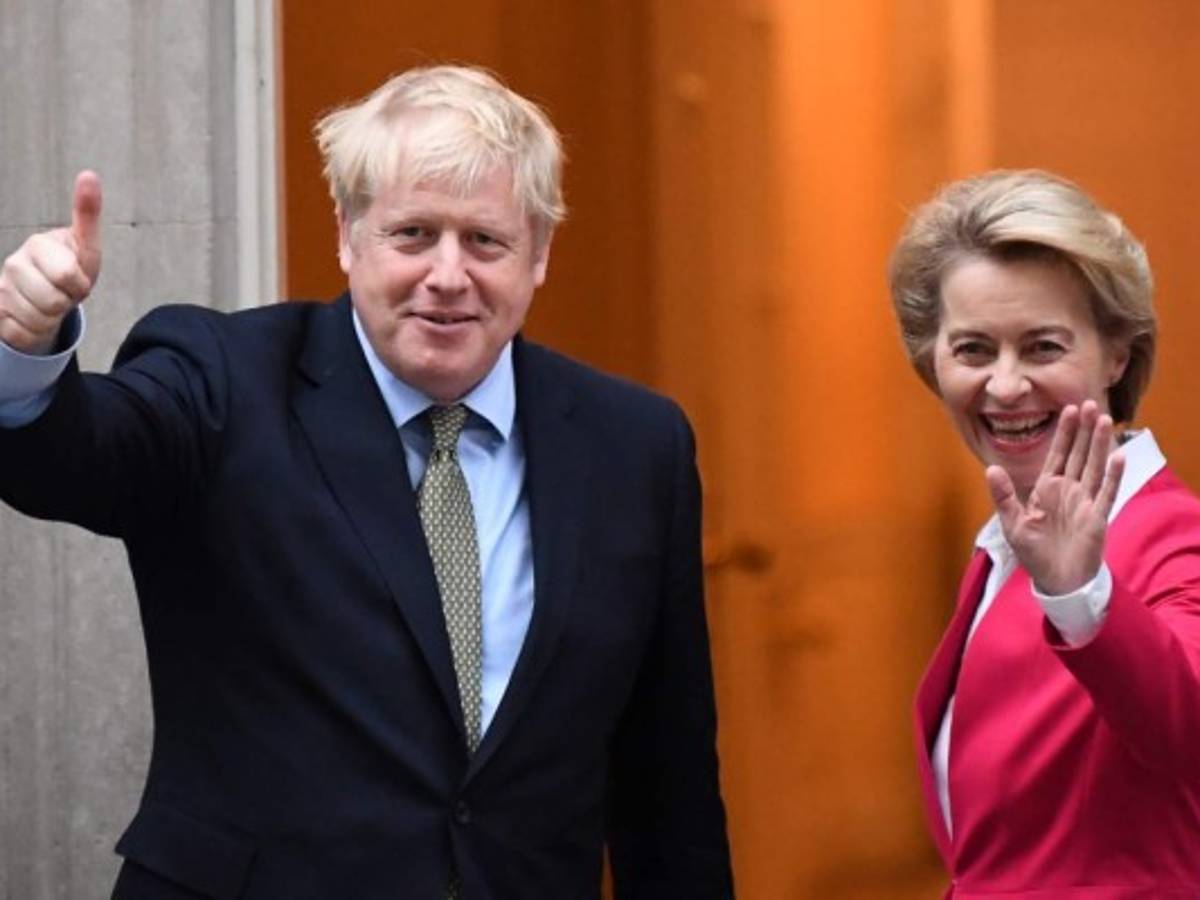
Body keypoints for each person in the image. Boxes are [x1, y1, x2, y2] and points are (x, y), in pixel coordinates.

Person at [0, 65, 734, 899]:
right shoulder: (226, 382)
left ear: (539, 255)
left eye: (484, 241)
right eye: (413, 234)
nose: (448, 275)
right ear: (348, 236)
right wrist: (26, 350)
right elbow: (75, 459)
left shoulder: (635, 447)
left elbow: (667, 788)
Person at [888, 168, 1200, 897]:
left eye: (1043, 348)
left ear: (1117, 354)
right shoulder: (1010, 537)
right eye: (973, 349)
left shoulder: (1169, 532)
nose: (1004, 386)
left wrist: (1082, 594)